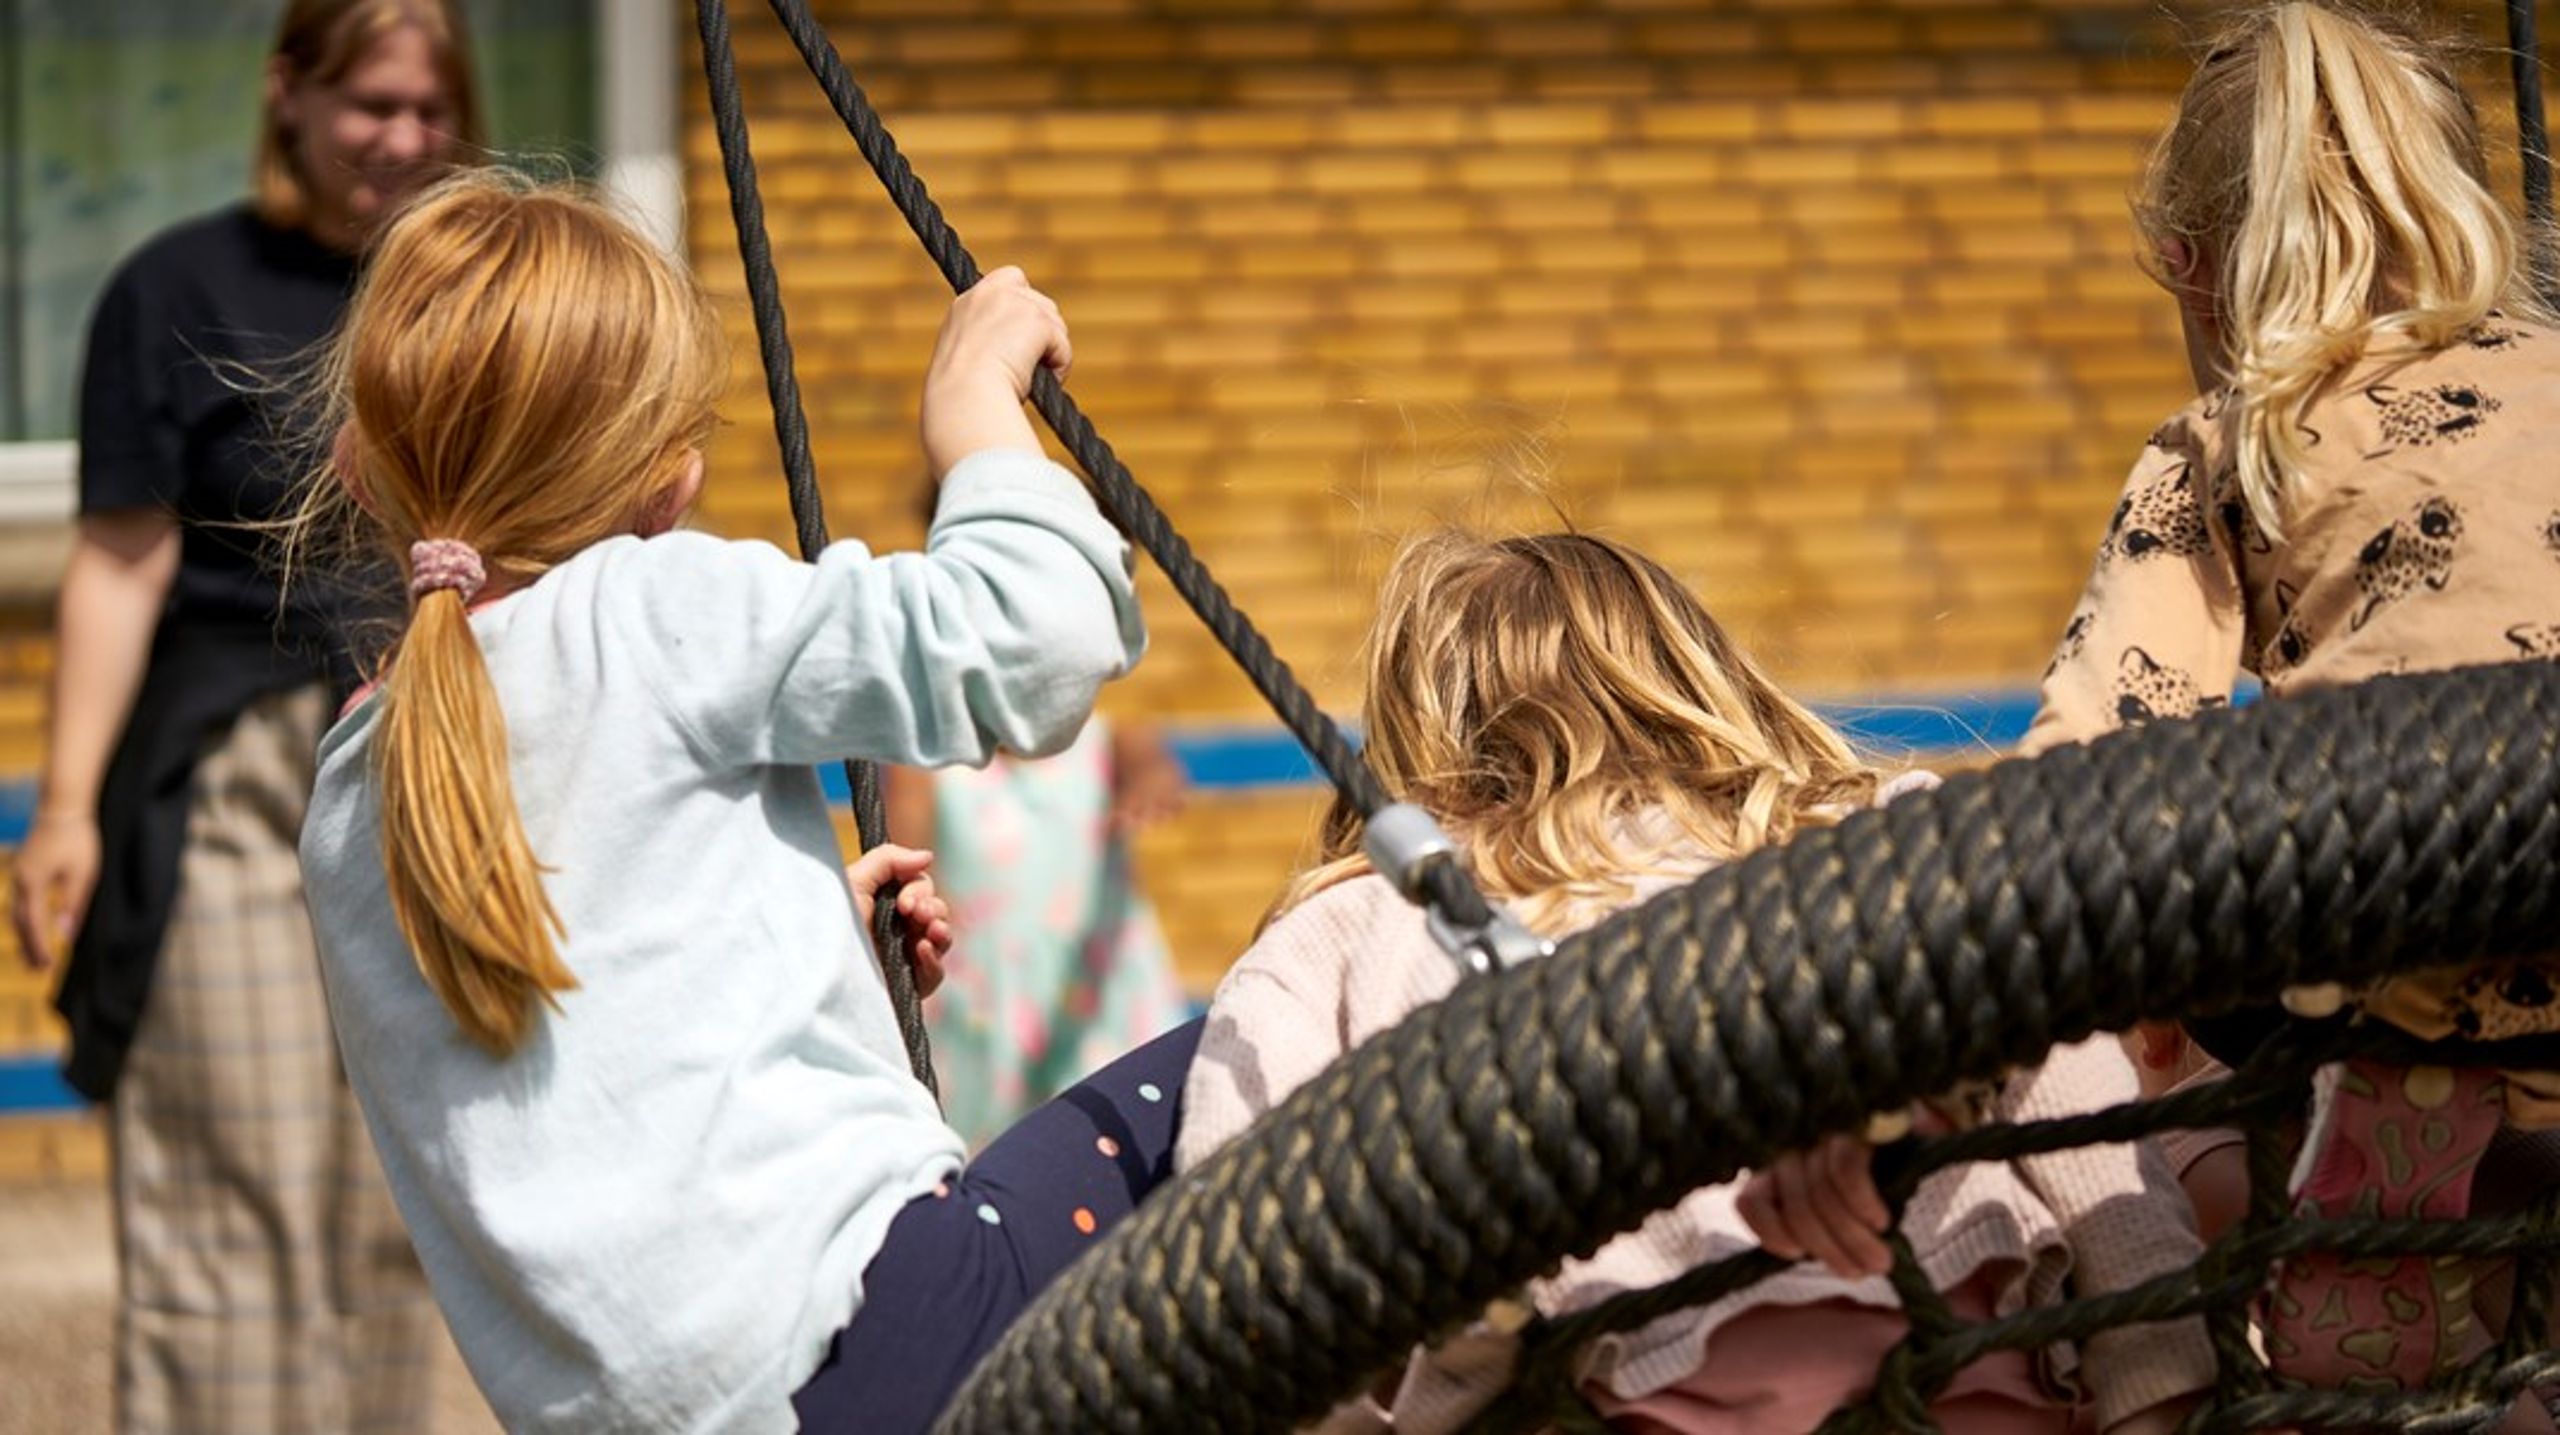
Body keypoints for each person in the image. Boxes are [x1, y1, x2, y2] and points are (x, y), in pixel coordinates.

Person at [289, 171, 1185, 1435]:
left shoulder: (346, 789)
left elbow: (571, 1051)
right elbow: (1038, 639)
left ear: (360, 472)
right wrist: (976, 411)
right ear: (669, 487)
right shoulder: (651, 611)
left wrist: (810, 940)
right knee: (1274, 1043)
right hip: (884, 1330)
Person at [1179, 530, 2215, 1434]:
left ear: (1416, 737)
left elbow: (1243, 1258)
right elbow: (2073, 1091)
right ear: (1698, 677)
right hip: (1955, 1339)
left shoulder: (1341, 931)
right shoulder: (1876, 834)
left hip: (1592, 1376)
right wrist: (2158, 1374)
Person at [2018, 0, 2560, 1410]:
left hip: (2418, 953)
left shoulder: (2228, 440)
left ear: (2194, 273)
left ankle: (2402, 1155)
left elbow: (2086, 779)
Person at [9, 3, 481, 1428]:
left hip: (439, 765)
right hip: (233, 784)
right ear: (289, 95)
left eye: (428, 109)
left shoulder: (474, 291)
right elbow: (118, 559)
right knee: (245, 1184)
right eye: (369, 105)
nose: (400, 140)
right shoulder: (175, 288)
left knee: (432, 1184)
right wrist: (69, 808)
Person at [887, 715, 1189, 1148]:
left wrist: (1150, 782)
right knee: (1001, 1165)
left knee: (1125, 1150)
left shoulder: (1107, 740)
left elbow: (1150, 760)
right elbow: (908, 860)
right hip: (987, 1019)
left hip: (1096, 1006)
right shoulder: (926, 764)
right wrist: (927, 900)